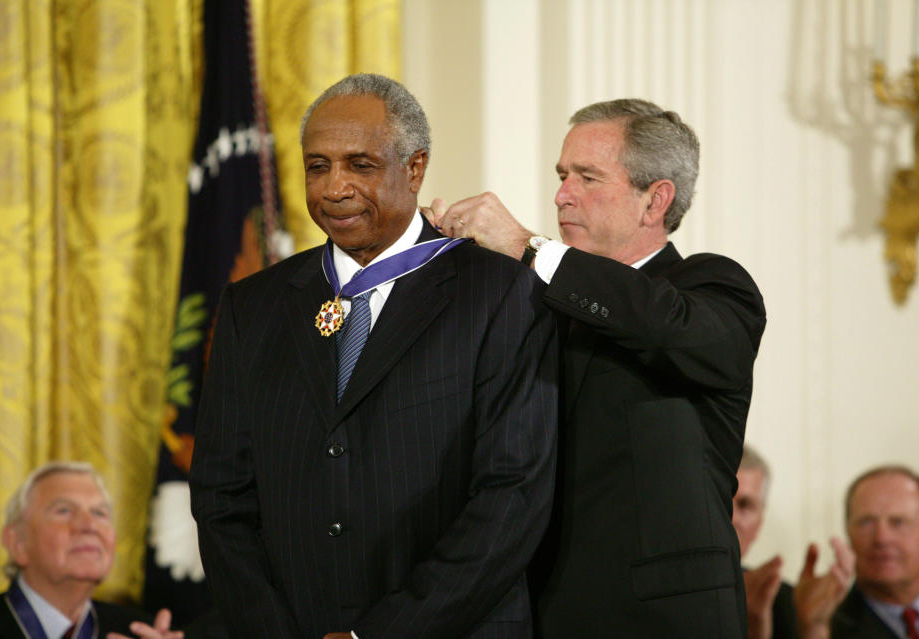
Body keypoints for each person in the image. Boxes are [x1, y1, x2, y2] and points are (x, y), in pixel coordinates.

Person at [189, 73, 557, 639]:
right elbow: (222, 497)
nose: (334, 188)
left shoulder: (498, 290)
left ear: (414, 169)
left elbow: (513, 495)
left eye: (359, 165)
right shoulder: (253, 306)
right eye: (318, 165)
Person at [430, 97, 767, 637]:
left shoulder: (712, 288)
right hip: (541, 613)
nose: (562, 195)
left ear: (655, 201)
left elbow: (663, 326)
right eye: (563, 176)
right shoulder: (535, 301)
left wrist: (524, 244)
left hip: (664, 619)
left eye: (588, 177)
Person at [0, 461, 182, 639]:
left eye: (100, 513)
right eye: (64, 510)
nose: (90, 525)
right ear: (17, 542)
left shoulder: (141, 631)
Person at [733, 445, 854, 639]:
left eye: (745, 505)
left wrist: (813, 626)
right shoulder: (668, 593)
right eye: (720, 501)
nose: (730, 518)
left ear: (760, 522)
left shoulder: (787, 604)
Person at [831, 465, 919, 639]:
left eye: (898, 523)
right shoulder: (822, 626)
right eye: (866, 522)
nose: (882, 538)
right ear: (848, 533)